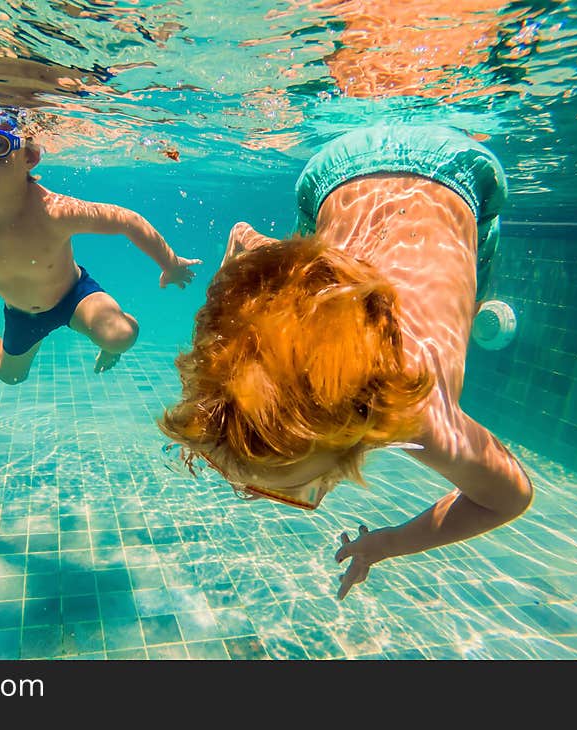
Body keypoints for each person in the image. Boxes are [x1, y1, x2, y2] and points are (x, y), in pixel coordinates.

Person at [159, 123, 533, 600]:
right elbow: (221, 338)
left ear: (355, 437)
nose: (257, 495)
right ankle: (247, 244)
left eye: (293, 490)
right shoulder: (257, 360)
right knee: (283, 305)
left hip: (455, 173)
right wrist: (232, 272)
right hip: (334, 175)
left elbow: (509, 497)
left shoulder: (415, 419)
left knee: (462, 272)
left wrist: (388, 543)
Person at [0, 108, 202, 395]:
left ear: (30, 157)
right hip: (22, 314)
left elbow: (127, 221)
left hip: (74, 297)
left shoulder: (54, 211)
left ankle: (109, 340)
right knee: (11, 377)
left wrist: (170, 263)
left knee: (120, 337)